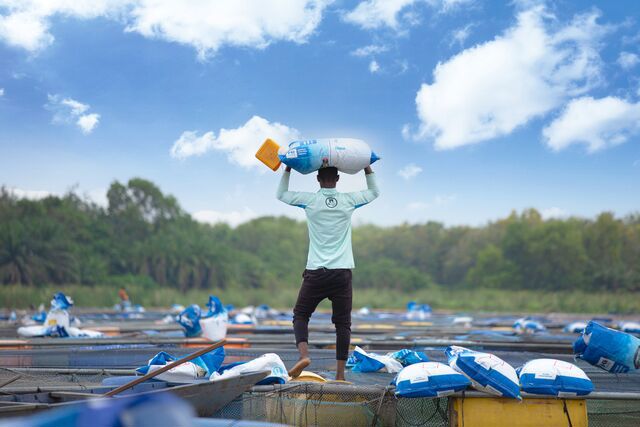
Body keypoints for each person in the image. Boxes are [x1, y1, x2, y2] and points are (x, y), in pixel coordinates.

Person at [276, 163, 379, 380]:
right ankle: (340, 376)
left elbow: (281, 194)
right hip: (342, 273)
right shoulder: (348, 201)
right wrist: (366, 168)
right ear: (338, 179)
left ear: (318, 179)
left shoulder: (310, 201)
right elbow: (374, 192)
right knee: (343, 324)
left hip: (316, 272)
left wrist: (288, 169)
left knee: (301, 315)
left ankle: (304, 356)